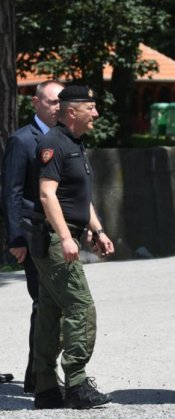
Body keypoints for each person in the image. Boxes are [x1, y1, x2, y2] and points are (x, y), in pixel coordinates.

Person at [30, 84, 115, 410]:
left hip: (61, 236)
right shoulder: (53, 143)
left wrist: (97, 230)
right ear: (71, 111)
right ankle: (77, 384)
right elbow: (47, 194)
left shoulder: (74, 143)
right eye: (90, 108)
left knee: (51, 313)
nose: (96, 113)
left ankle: (46, 388)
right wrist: (66, 237)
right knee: (81, 307)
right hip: (54, 240)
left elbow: (79, 198)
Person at [2, 80, 64, 394]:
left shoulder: (64, 138)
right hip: (31, 232)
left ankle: (37, 373)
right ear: (36, 103)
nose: (58, 107)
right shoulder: (23, 140)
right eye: (52, 102)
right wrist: (15, 238)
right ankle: (39, 375)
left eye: (61, 102)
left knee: (54, 304)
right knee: (44, 302)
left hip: (58, 233)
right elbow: (11, 192)